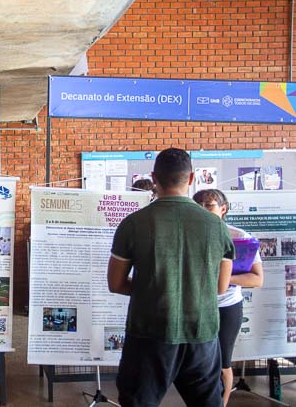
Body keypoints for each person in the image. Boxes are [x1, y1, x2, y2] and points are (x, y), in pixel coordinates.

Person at [107, 148, 234, 407]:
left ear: (154, 178)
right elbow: (221, 287)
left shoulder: (133, 223)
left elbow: (116, 283)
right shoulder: (217, 227)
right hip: (202, 333)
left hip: (149, 332)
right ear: (191, 179)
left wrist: (155, 287)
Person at [193, 189, 264, 406]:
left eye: (209, 205)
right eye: (198, 205)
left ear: (223, 209)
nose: (203, 209)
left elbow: (257, 279)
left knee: (223, 362)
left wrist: (224, 278)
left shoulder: (239, 237)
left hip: (227, 307)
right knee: (197, 363)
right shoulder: (186, 235)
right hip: (194, 306)